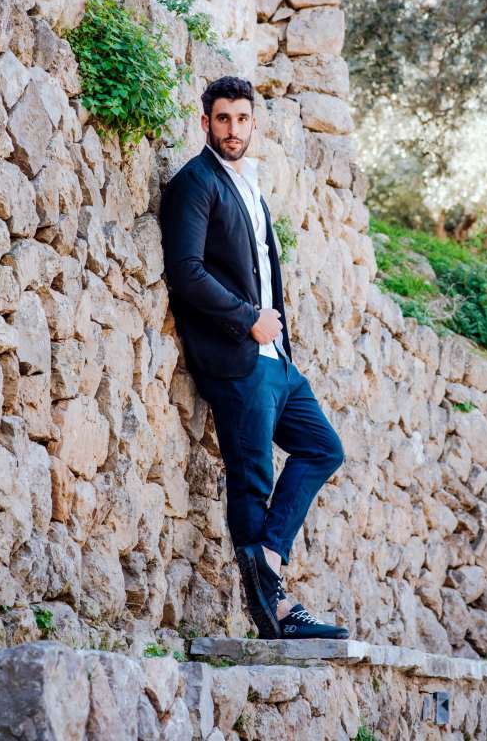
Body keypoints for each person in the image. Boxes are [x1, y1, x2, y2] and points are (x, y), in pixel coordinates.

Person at [160, 75, 348, 640]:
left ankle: (267, 558)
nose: (233, 129)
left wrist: (275, 338)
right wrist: (248, 319)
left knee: (323, 448)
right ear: (205, 122)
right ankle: (273, 614)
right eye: (222, 118)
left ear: (253, 123)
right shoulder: (195, 183)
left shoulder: (249, 187)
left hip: (276, 360)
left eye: (241, 119)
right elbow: (186, 272)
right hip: (239, 355)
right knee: (252, 479)